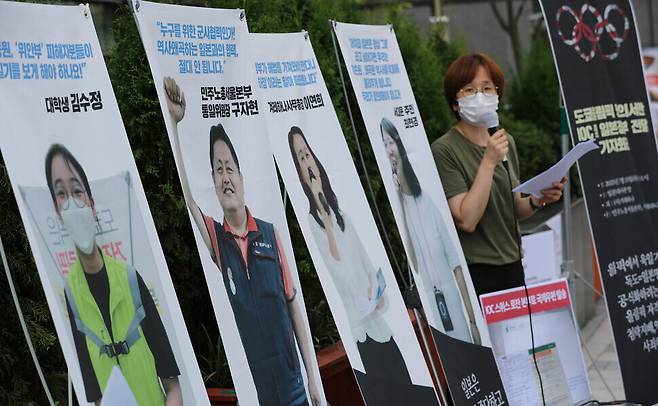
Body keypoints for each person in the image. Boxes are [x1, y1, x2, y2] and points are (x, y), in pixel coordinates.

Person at [164, 77, 321, 406]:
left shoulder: (269, 233)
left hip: (295, 389)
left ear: (241, 177)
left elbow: (294, 309)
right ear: (214, 182)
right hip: (263, 395)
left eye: (230, 168)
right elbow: (188, 198)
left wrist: (313, 382)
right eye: (218, 170)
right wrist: (174, 125)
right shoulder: (218, 243)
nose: (225, 176)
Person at [288, 126, 437, 405]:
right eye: (300, 158)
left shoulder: (343, 215)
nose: (307, 163)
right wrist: (322, 212)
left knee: (410, 394)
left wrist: (379, 294)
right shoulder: (314, 223)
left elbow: (369, 267)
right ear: (298, 171)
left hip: (380, 325)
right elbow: (338, 269)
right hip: (362, 335)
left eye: (307, 154)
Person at [45, 144, 182, 406]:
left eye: (77, 191)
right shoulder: (72, 297)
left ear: (93, 206)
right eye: (62, 194)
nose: (72, 203)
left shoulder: (131, 280)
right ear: (57, 214)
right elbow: (96, 399)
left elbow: (173, 387)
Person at [432, 53, 565, 297]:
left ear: (497, 94)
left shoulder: (504, 141)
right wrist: (489, 161)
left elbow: (514, 208)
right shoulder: (444, 150)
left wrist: (539, 198)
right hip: (477, 270)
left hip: (513, 265)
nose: (480, 97)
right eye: (469, 90)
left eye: (487, 88)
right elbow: (466, 219)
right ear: (454, 102)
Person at [380, 117, 481, 345]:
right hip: (428, 308)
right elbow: (413, 261)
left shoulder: (427, 201)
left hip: (452, 301)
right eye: (384, 145)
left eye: (391, 142)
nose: (389, 151)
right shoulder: (395, 208)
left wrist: (474, 321)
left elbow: (454, 262)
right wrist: (397, 198)